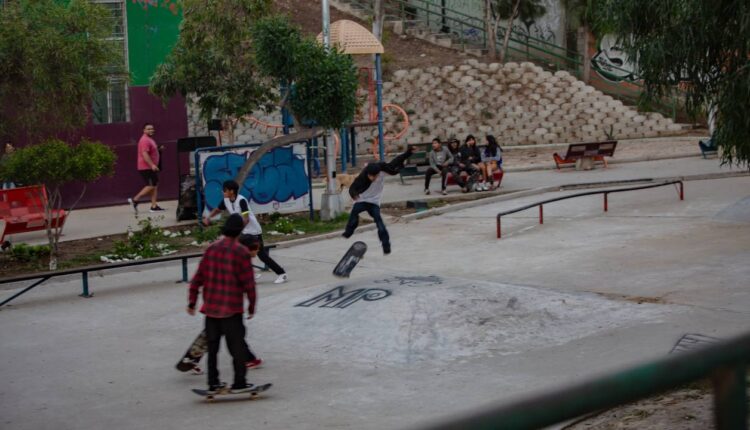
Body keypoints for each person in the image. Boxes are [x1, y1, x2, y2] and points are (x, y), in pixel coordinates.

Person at [187, 214, 258, 394]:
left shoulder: (211, 249)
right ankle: (239, 383)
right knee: (237, 348)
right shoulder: (241, 252)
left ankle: (213, 383)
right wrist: (251, 306)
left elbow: (197, 278)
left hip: (211, 310)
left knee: (212, 349)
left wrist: (192, 302)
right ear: (239, 231)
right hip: (232, 310)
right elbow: (248, 283)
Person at [204, 180, 288, 284]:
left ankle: (282, 274)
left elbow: (246, 219)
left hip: (253, 232)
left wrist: (236, 232)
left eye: (225, 190)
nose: (223, 192)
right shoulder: (226, 200)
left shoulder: (241, 200)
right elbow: (217, 209)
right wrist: (208, 218)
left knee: (262, 256)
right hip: (243, 232)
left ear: (232, 191)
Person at [344, 146, 414, 254]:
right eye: (371, 177)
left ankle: (386, 246)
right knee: (354, 214)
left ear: (378, 173)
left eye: (375, 176)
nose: (373, 179)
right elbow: (353, 188)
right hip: (362, 200)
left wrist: (408, 152)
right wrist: (354, 195)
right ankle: (348, 232)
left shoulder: (383, 170)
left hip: (374, 203)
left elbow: (396, 161)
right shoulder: (363, 176)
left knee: (379, 222)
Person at [128, 123, 164, 214]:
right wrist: (152, 165)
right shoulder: (144, 140)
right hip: (146, 167)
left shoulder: (149, 139)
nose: (151, 130)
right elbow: (145, 154)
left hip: (150, 167)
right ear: (144, 130)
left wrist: (159, 149)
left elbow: (151, 151)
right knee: (151, 185)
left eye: (152, 129)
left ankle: (154, 206)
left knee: (154, 185)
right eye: (148, 129)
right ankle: (135, 199)